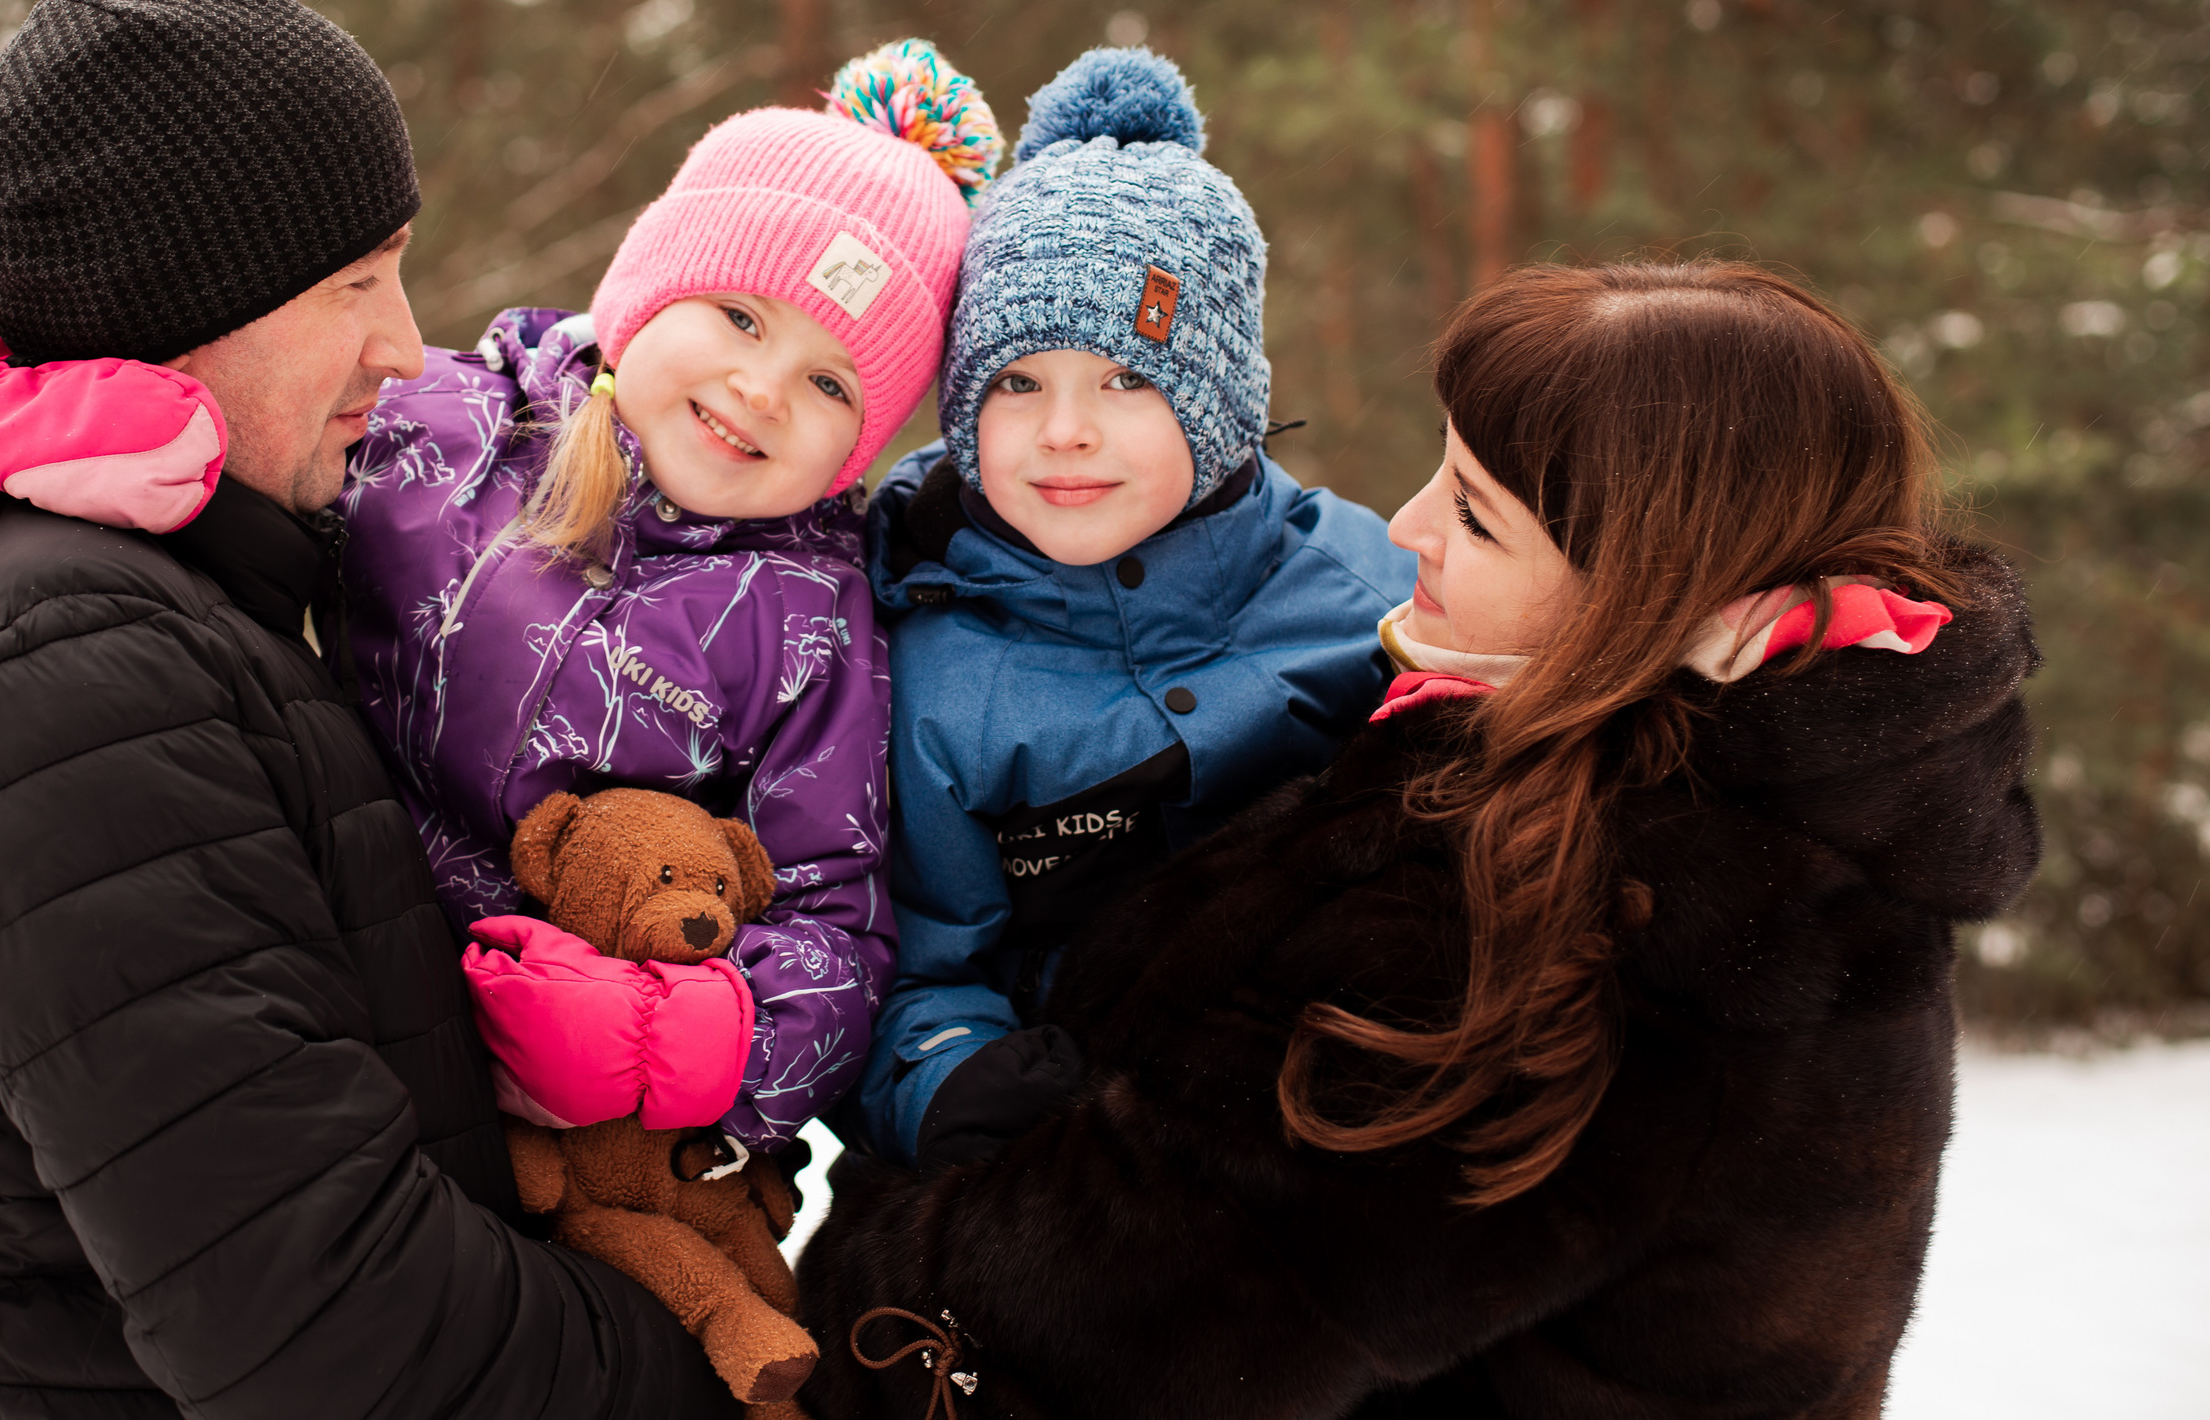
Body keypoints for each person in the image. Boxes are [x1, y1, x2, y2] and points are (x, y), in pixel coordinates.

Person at [798, 260, 2042, 1420]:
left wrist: (878, 1247)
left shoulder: (1542, 902)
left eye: (1480, 519)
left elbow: (1091, 1324)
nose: (1402, 526)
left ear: (1646, 585)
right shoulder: (1805, 794)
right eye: (1440, 475)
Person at [0, 0, 732, 1418]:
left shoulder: (111, 597)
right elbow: (333, 1328)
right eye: (353, 282)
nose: (404, 346)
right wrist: (684, 1364)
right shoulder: (59, 673)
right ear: (178, 305)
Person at [0, 37, 1005, 1158]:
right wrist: (11, 410)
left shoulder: (811, 618)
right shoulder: (440, 427)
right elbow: (15, 314)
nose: (760, 390)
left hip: (591, 1112)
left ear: (866, 441)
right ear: (646, 296)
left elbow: (835, 917)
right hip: (336, 984)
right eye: (741, 319)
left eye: (829, 382)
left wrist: (671, 1047)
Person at [852, 48, 1412, 1169]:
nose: (1064, 430)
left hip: (1358, 1120)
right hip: (1088, 1155)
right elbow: (914, 969)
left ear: (1218, 402)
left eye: (1127, 380)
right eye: (1017, 383)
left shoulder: (1370, 586)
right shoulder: (932, 674)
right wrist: (947, 1075)